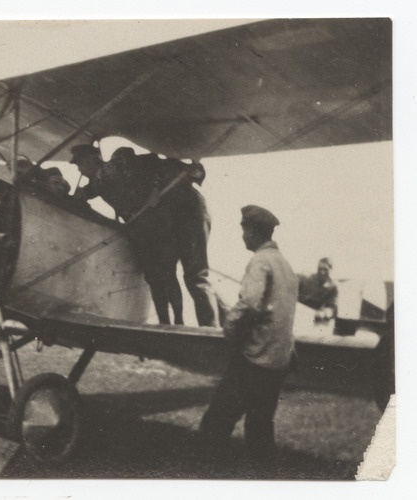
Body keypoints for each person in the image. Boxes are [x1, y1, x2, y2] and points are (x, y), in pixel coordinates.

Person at [70, 144, 218, 326]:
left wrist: (155, 190)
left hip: (172, 219)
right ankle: (166, 322)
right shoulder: (97, 182)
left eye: (80, 163)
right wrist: (80, 195)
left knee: (185, 274)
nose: (78, 168)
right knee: (157, 276)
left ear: (93, 159)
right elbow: (89, 191)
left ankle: (194, 323)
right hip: (150, 227)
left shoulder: (117, 165)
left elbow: (154, 163)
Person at [199, 205, 298, 462]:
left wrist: (229, 329)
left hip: (255, 360)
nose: (243, 236)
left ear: (253, 232)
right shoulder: (285, 265)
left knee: (215, 422)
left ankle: (205, 476)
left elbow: (249, 304)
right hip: (278, 362)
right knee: (260, 428)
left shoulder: (260, 261)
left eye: (244, 230)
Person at [298, 257, 339, 321]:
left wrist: (326, 313)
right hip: (298, 310)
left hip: (312, 316)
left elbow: (333, 307)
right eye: (320, 269)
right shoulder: (306, 278)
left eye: (325, 269)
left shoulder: (333, 286)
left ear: (331, 270)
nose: (322, 272)